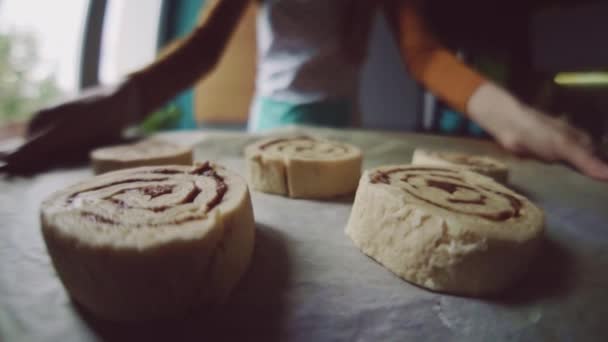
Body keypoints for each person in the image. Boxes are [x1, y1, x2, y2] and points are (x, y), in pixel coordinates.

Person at [1, 0, 607, 180]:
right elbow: (202, 52)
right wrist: (114, 101)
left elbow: (425, 57)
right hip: (268, 121)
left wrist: (512, 116)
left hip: (346, 125)